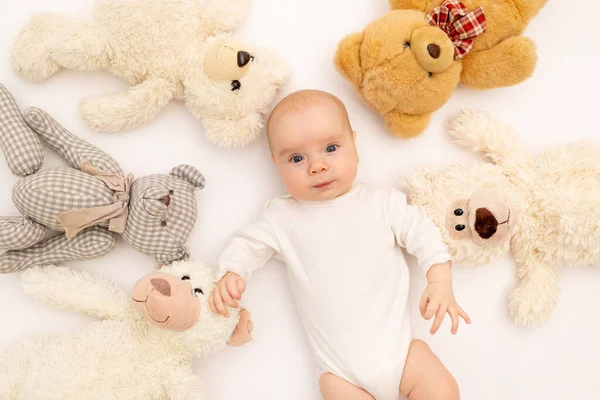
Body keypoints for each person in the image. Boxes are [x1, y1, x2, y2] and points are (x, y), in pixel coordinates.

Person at [210, 89, 470, 400]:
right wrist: (232, 272)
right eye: (296, 158)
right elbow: (247, 244)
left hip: (404, 357)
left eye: (331, 148)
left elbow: (422, 233)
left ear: (354, 145)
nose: (316, 166)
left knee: (442, 390)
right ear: (276, 165)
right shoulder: (282, 218)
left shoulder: (381, 202)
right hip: (341, 375)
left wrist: (439, 279)